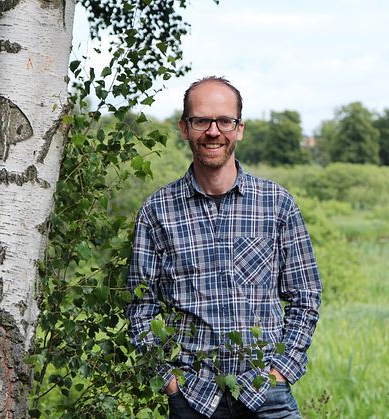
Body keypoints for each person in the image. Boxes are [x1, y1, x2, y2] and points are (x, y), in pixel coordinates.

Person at [126, 76, 322, 418]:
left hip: (266, 396)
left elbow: (305, 296)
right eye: (201, 120)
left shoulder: (276, 204)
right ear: (185, 129)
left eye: (224, 121)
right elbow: (140, 308)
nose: (213, 131)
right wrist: (170, 381)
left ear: (239, 128)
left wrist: (279, 372)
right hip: (193, 399)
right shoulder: (157, 212)